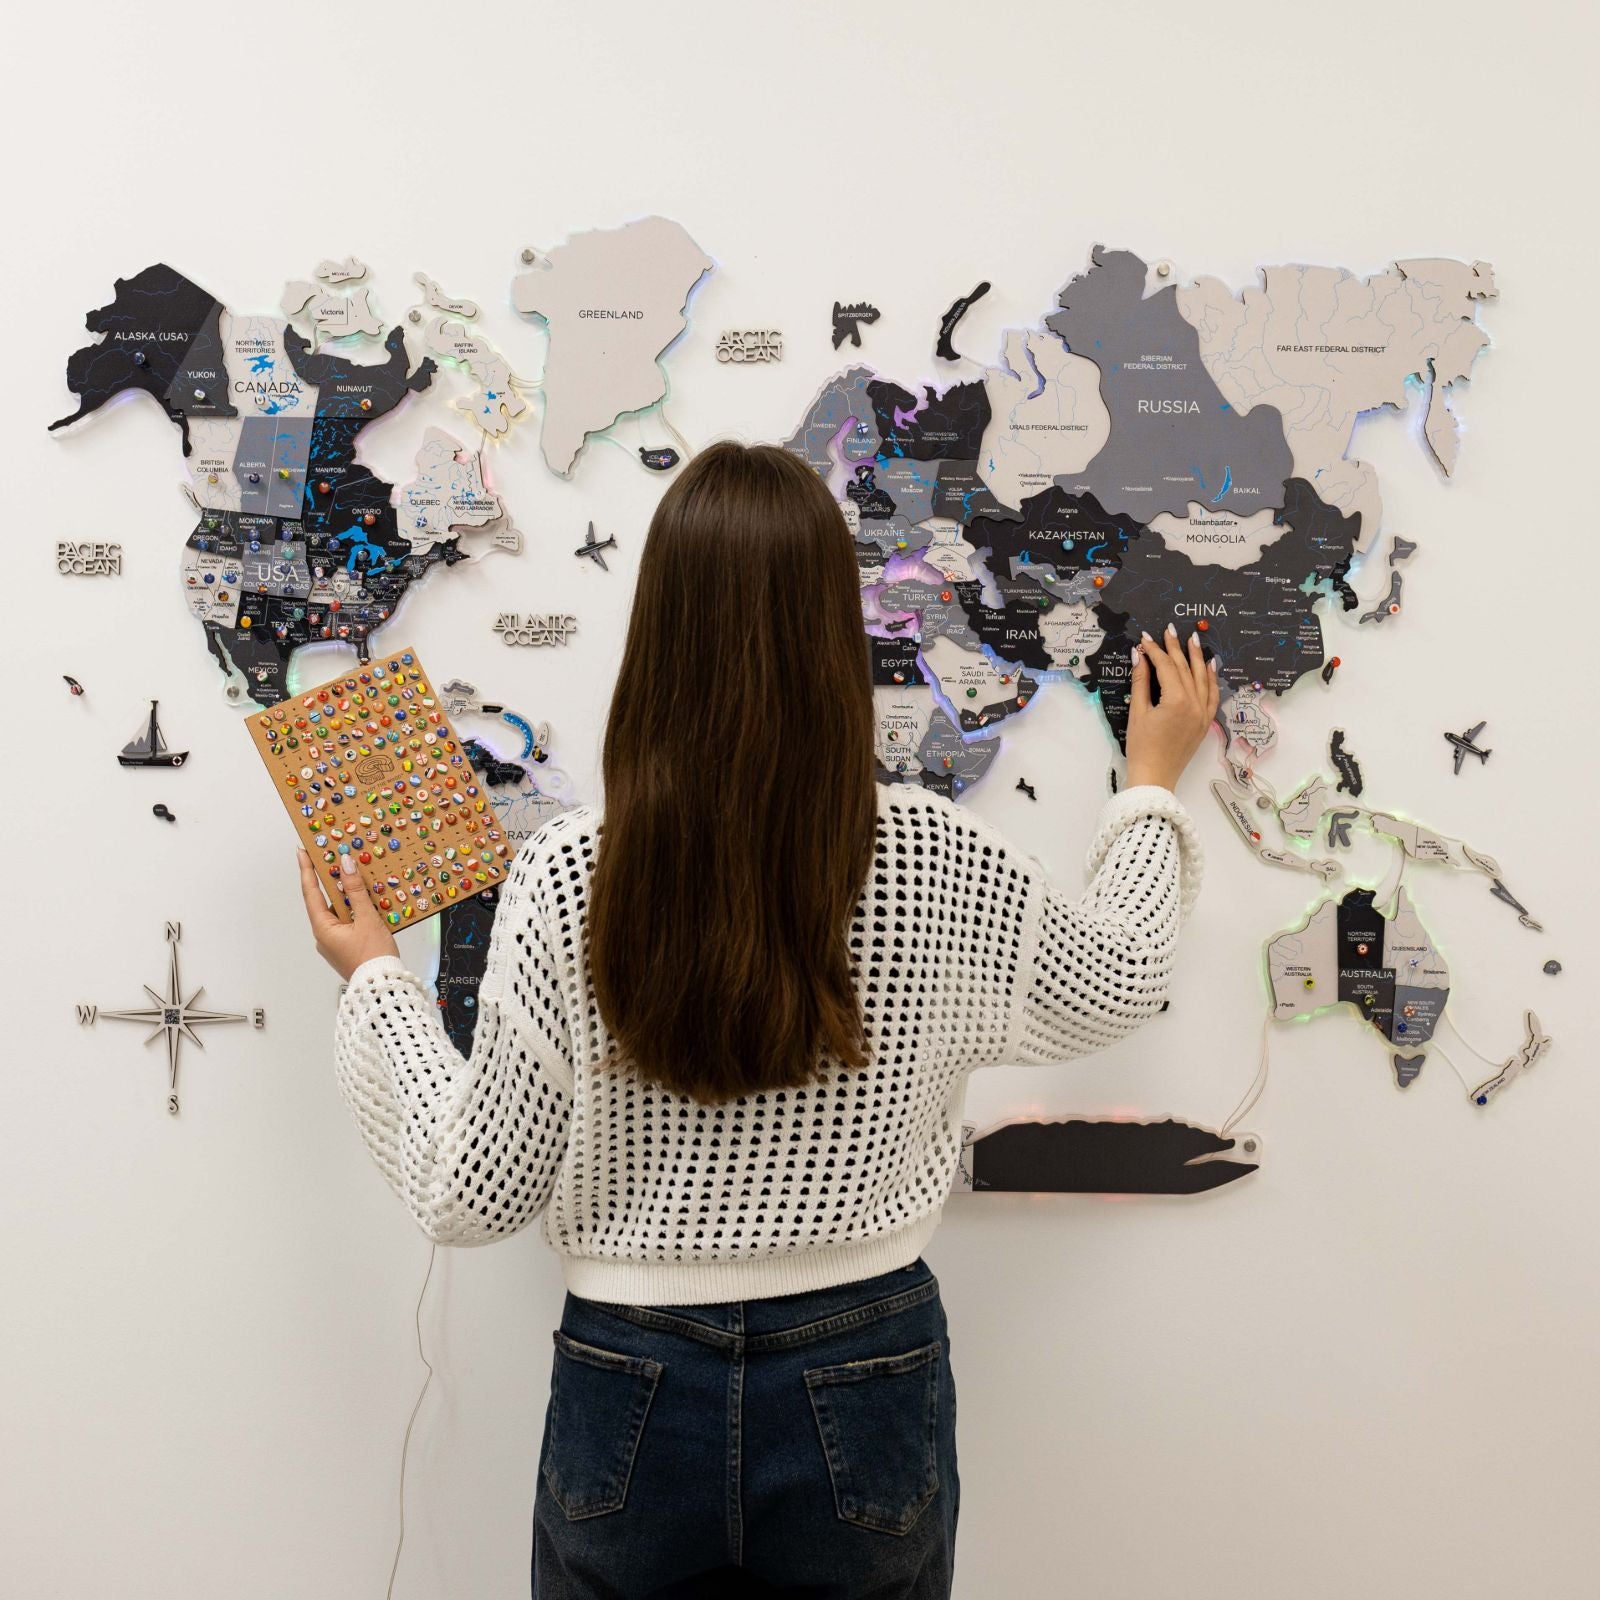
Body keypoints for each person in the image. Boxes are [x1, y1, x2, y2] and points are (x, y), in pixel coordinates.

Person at [298, 440, 1216, 1599]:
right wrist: (1149, 783)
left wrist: (376, 980)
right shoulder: (930, 856)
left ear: (661, 628)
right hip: (866, 1364)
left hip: (628, 1376)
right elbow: (1119, 973)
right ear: (833, 629)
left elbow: (469, 1191)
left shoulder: (571, 873)